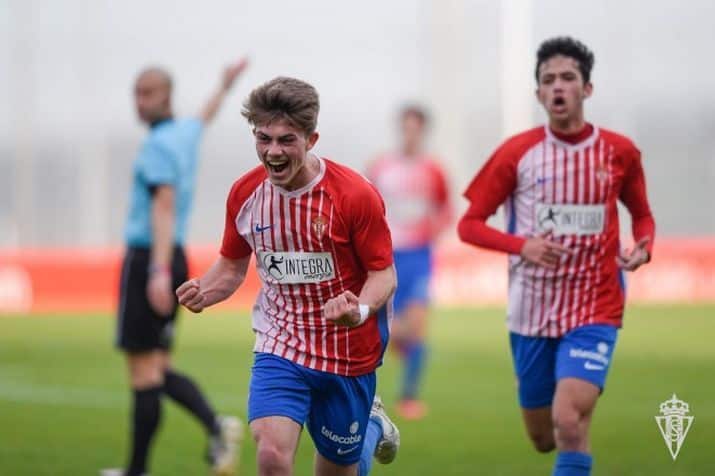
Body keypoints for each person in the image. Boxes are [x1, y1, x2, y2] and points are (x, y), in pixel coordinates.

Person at [176, 76, 401, 476]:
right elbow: (230, 267)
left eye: (286, 140)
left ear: (311, 140)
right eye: (264, 139)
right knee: (271, 456)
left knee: (337, 470)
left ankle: (371, 427)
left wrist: (359, 310)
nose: (273, 151)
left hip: (348, 350)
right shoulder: (245, 194)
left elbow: (384, 276)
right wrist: (204, 290)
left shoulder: (353, 195)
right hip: (281, 342)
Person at [457, 37, 655, 476]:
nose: (558, 87)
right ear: (539, 94)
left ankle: (575, 398)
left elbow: (641, 215)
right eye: (549, 80)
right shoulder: (517, 153)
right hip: (531, 311)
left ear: (587, 88)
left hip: (596, 304)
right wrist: (522, 246)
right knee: (544, 437)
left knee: (568, 421)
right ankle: (555, 395)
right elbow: (468, 224)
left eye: (568, 78)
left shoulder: (619, 151)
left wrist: (644, 246)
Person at [103, 58, 248, 476]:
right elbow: (204, 116)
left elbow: (163, 206)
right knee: (158, 369)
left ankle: (139, 469)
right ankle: (214, 427)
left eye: (146, 93)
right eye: (136, 93)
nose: (138, 101)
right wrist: (223, 86)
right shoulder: (184, 133)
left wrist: (158, 272)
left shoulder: (157, 146)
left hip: (152, 256)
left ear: (165, 95)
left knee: (143, 371)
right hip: (173, 254)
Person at [366, 105, 451, 420]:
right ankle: (386, 362)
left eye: (416, 128)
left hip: (419, 255)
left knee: (415, 326)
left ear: (423, 131)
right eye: (406, 127)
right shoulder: (381, 167)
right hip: (387, 255)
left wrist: (432, 232)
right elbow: (365, 204)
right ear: (400, 129)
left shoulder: (434, 170)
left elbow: (445, 209)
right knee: (385, 327)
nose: (410, 134)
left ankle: (409, 398)